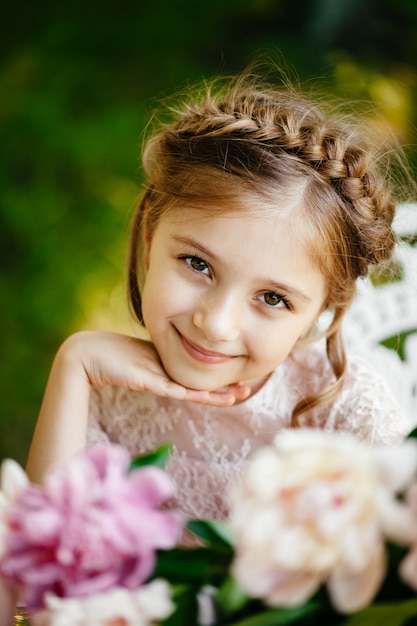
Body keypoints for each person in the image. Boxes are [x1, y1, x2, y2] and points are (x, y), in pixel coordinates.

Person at [26, 67, 413, 522]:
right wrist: (74, 364)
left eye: (272, 299)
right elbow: (34, 569)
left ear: (322, 308)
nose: (215, 324)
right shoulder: (106, 391)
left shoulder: (347, 417)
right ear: (152, 234)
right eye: (198, 265)